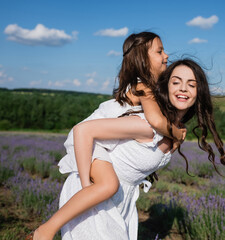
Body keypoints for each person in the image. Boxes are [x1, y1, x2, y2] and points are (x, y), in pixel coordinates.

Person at [29, 59, 225, 240]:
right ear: (166, 87)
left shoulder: (177, 130)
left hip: (122, 201)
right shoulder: (147, 125)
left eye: (192, 84)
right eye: (176, 82)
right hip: (96, 196)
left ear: (199, 92)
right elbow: (83, 131)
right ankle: (42, 233)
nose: (183, 88)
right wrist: (85, 191)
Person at [26, 31, 185, 240]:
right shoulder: (143, 86)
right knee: (108, 185)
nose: (166, 55)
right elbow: (155, 121)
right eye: (159, 51)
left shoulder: (149, 88)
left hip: (97, 140)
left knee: (106, 186)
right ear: (143, 60)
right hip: (91, 142)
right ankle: (44, 231)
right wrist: (178, 133)